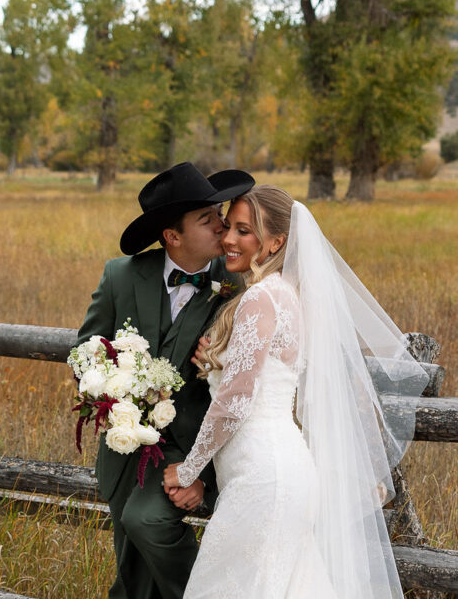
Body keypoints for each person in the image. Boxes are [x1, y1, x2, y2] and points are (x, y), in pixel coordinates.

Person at [163, 185, 428, 599]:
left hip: (262, 478)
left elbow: (234, 403)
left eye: (244, 231)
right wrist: (214, 360)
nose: (228, 238)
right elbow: (264, 376)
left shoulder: (261, 299)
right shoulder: (290, 296)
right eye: (228, 226)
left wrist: (189, 468)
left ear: (276, 241)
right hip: (284, 473)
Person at [76, 161, 255, 599]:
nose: (221, 225)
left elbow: (247, 384)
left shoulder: (238, 283)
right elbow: (86, 351)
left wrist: (202, 475)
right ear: (172, 236)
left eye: (219, 215)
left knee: (146, 522)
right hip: (130, 445)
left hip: (203, 446)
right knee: (131, 555)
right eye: (206, 219)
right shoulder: (121, 276)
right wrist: (113, 391)